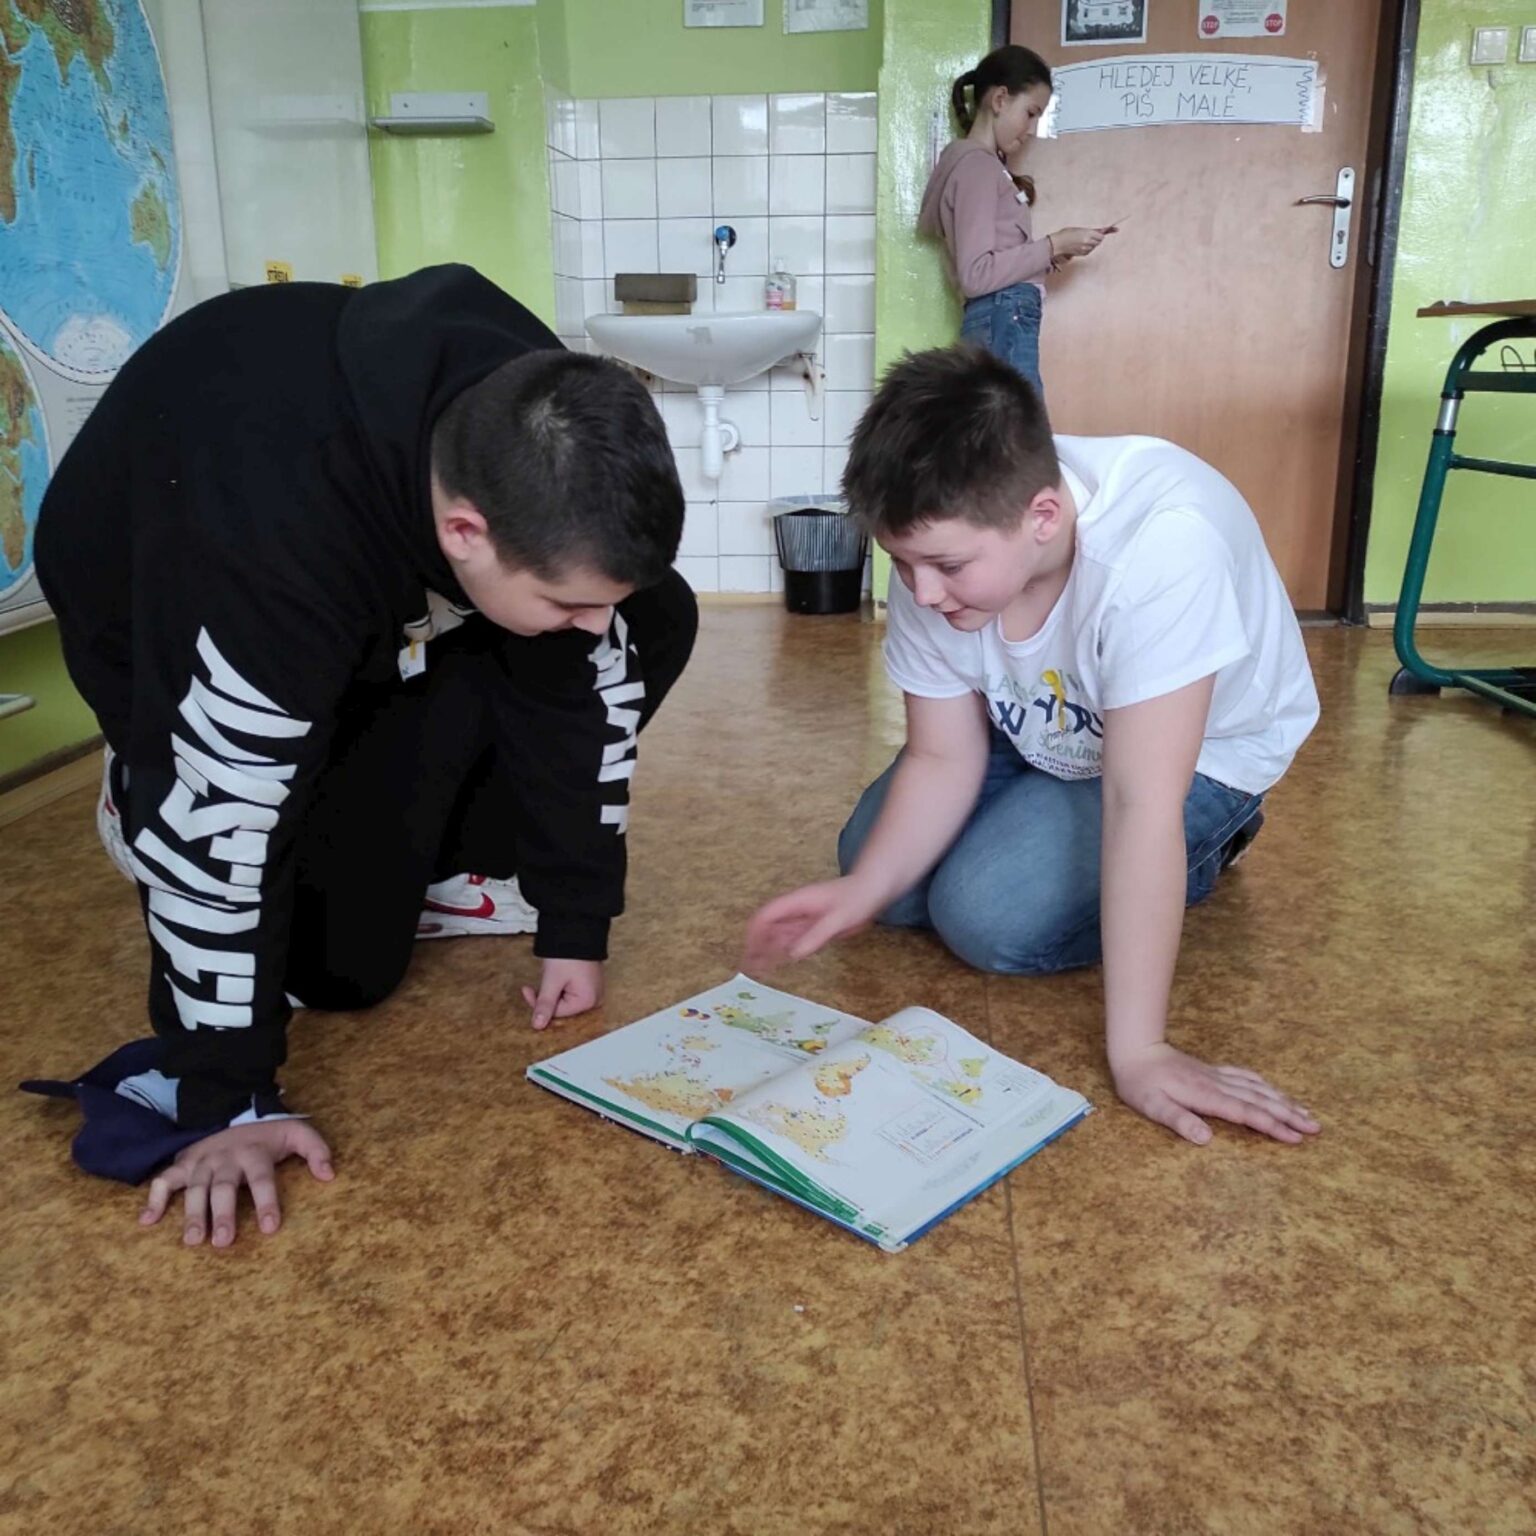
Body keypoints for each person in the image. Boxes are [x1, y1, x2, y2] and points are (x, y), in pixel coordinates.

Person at [29, 263, 697, 1244]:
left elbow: (578, 684)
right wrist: (226, 1100)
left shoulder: (531, 402)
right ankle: (137, 790)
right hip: (170, 635)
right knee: (340, 972)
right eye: (568, 600)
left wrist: (575, 921)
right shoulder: (268, 552)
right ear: (464, 529)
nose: (594, 622)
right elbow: (223, 812)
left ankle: (413, 836)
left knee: (649, 620)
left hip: (372, 609)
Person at [745, 346, 1322, 1149]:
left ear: (1043, 517)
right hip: (1046, 717)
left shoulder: (1160, 552)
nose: (921, 593)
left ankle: (1214, 844)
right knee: (882, 881)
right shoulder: (941, 548)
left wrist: (1141, 1051)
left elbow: (1139, 804)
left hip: (1192, 757)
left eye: (944, 567)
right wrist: (864, 888)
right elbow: (941, 757)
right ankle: (1024, 818)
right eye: (901, 563)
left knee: (985, 918)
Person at [919, 44, 1116, 397]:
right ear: (1000, 100)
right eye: (1030, 113)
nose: (1031, 128)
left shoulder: (981, 166)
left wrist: (1052, 255)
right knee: (1018, 427)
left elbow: (992, 259)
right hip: (1003, 314)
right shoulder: (977, 167)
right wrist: (1052, 244)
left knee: (1006, 426)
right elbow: (976, 275)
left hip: (1001, 315)